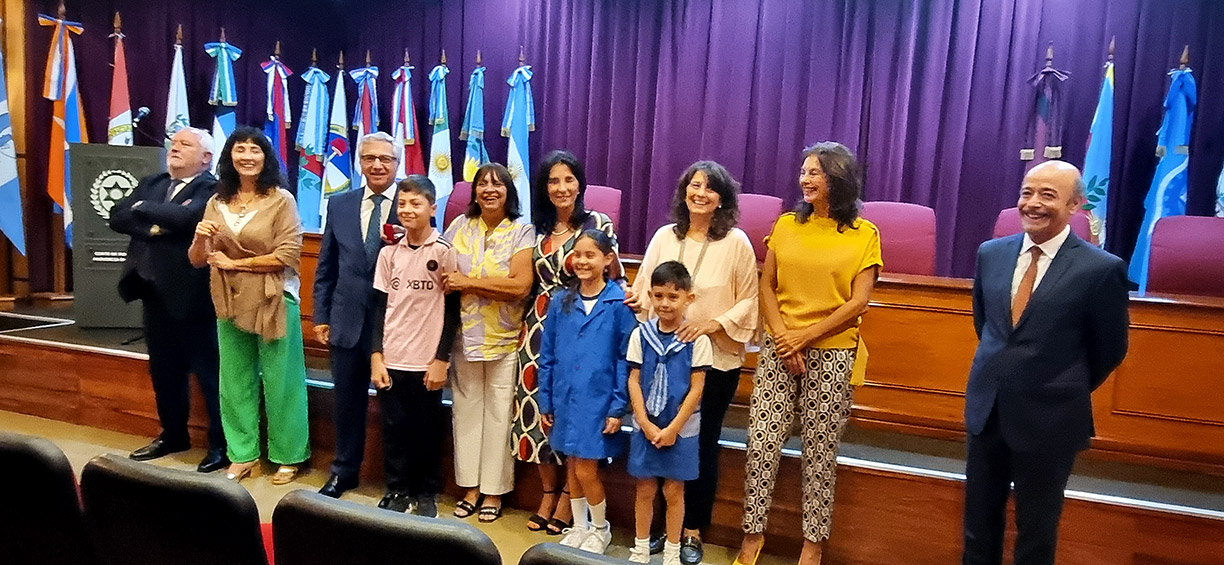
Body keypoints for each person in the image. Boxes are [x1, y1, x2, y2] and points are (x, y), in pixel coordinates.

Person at [961, 160, 1129, 565]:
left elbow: (1109, 349)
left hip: (1051, 419)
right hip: (989, 411)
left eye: (1047, 195)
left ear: (1075, 204)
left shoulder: (1101, 269)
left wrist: (1055, 383)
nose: (1033, 204)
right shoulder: (991, 254)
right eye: (1026, 193)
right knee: (977, 526)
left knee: (1036, 532)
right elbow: (987, 325)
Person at [735, 142, 881, 565]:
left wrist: (805, 337)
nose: (805, 179)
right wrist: (784, 338)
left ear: (837, 177)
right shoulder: (785, 225)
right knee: (761, 443)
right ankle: (751, 535)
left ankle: (813, 544)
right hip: (779, 349)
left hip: (832, 351)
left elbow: (858, 302)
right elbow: (767, 285)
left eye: (814, 172)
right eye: (803, 172)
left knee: (819, 452)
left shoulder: (864, 234)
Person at [626, 160, 758, 565]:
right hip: (662, 363)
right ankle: (657, 533)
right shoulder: (665, 236)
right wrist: (634, 301)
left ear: (722, 200)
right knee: (657, 441)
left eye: (710, 188)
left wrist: (711, 323)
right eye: (693, 185)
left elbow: (750, 301)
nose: (700, 193)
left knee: (700, 445)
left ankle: (692, 530)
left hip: (713, 362)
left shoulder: (736, 242)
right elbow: (644, 291)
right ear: (684, 192)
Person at [188, 126, 309, 484]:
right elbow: (198, 259)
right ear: (229, 157)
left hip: (274, 299)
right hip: (228, 300)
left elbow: (288, 254)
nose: (247, 156)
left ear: (266, 158)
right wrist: (198, 239)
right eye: (240, 149)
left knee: (281, 381)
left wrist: (236, 264)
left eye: (255, 150)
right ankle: (243, 454)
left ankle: (288, 455)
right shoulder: (217, 201)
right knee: (234, 380)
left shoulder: (281, 199)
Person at [514, 150, 622, 535]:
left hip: (587, 326)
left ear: (580, 183)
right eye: (553, 181)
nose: (562, 188)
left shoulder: (598, 223)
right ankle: (548, 492)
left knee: (578, 420)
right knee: (540, 418)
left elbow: (616, 280)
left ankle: (569, 503)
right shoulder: (536, 229)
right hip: (539, 330)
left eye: (569, 179)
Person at [110, 127, 227, 473]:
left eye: (184, 145)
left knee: (209, 374)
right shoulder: (153, 182)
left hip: (194, 297)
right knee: (163, 371)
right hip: (151, 293)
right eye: (173, 144)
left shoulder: (212, 188)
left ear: (206, 157)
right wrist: (155, 224)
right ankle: (173, 434)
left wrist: (144, 210)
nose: (174, 148)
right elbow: (117, 215)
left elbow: (191, 219)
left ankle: (220, 445)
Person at [442, 162, 535, 522]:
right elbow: (444, 277)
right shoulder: (458, 227)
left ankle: (494, 493)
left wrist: (468, 283)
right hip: (464, 338)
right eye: (483, 184)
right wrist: (468, 283)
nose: (489, 190)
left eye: (498, 184)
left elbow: (520, 286)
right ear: (474, 192)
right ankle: (470, 488)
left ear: (509, 192)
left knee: (499, 416)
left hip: (505, 340)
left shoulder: (521, 232)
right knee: (465, 413)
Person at [312, 132, 401, 498]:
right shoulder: (341, 204)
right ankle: (343, 471)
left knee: (395, 408)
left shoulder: (414, 203)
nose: (377, 165)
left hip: (395, 326)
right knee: (346, 403)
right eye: (369, 158)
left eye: (385, 159)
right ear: (360, 163)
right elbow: (326, 266)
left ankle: (396, 484)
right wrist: (321, 315)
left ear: (397, 164)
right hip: (345, 322)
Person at [537, 229, 636, 555]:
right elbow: (547, 353)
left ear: (608, 259)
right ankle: (579, 526)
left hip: (598, 401)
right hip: (566, 399)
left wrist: (617, 407)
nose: (582, 260)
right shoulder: (560, 302)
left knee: (586, 468)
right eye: (577, 254)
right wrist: (545, 399)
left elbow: (626, 359)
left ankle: (600, 528)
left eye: (590, 254)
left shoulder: (618, 304)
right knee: (572, 465)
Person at [368, 176, 461, 517]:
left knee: (426, 429)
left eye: (416, 203)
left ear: (432, 208)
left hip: (426, 361)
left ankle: (426, 492)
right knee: (394, 429)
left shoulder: (444, 252)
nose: (407, 210)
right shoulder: (389, 253)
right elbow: (378, 308)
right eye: (402, 204)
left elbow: (453, 311)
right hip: (393, 357)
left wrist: (441, 359)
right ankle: (397, 488)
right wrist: (376, 356)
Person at [626, 261, 711, 565]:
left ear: (689, 297)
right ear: (649, 295)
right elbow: (633, 380)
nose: (665, 303)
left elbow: (697, 387)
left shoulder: (697, 340)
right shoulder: (641, 335)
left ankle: (673, 552)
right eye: (659, 295)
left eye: (673, 297)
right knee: (645, 488)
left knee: (675, 490)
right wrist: (646, 424)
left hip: (681, 428)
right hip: (647, 425)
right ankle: (640, 548)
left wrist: (674, 427)